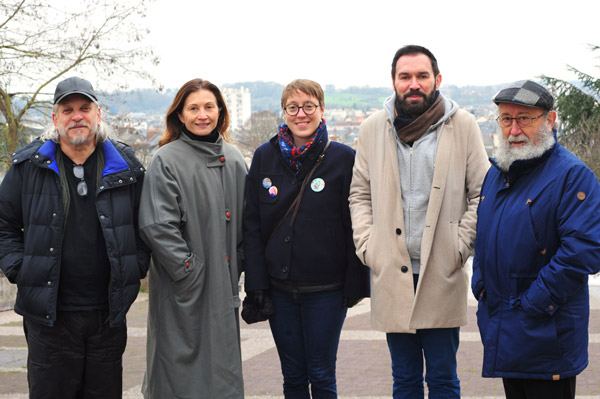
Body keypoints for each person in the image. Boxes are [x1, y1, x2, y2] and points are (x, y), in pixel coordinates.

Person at [348, 45, 490, 398]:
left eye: (422, 76)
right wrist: (369, 247)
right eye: (405, 76)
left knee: (443, 378)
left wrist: (460, 246)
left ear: (437, 80)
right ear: (393, 81)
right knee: (405, 379)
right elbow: (359, 195)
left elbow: (482, 194)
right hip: (392, 272)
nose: (414, 84)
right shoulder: (371, 129)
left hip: (441, 271)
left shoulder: (464, 125)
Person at [0, 76, 150, 398]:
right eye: (67, 110)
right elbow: (3, 224)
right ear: (55, 119)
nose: (77, 116)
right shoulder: (29, 167)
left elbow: (145, 226)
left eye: (84, 108)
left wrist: (135, 266)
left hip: (107, 316)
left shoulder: (126, 167)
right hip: (48, 318)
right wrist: (20, 269)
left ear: (98, 113)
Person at [471, 80, 600, 399]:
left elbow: (584, 251)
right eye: (506, 119)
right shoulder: (497, 171)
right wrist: (480, 282)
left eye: (524, 118)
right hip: (506, 325)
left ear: (550, 120)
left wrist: (534, 304)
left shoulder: (572, 175)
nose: (514, 129)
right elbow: (486, 235)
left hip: (546, 332)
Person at [243, 79, 370, 398]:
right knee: (293, 376)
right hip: (279, 289)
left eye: (309, 106)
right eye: (293, 107)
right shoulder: (264, 157)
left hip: (326, 290)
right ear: (283, 112)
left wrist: (356, 282)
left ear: (322, 110)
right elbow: (253, 225)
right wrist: (257, 285)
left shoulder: (343, 159)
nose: (301, 114)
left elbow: (354, 224)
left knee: (322, 374)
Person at [138, 78, 247, 399]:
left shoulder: (235, 159)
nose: (202, 115)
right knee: (177, 372)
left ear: (220, 112)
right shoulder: (166, 159)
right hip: (182, 288)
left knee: (221, 374)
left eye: (209, 107)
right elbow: (156, 225)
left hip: (224, 283)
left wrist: (238, 264)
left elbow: (248, 222)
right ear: (180, 115)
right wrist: (189, 270)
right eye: (194, 108)